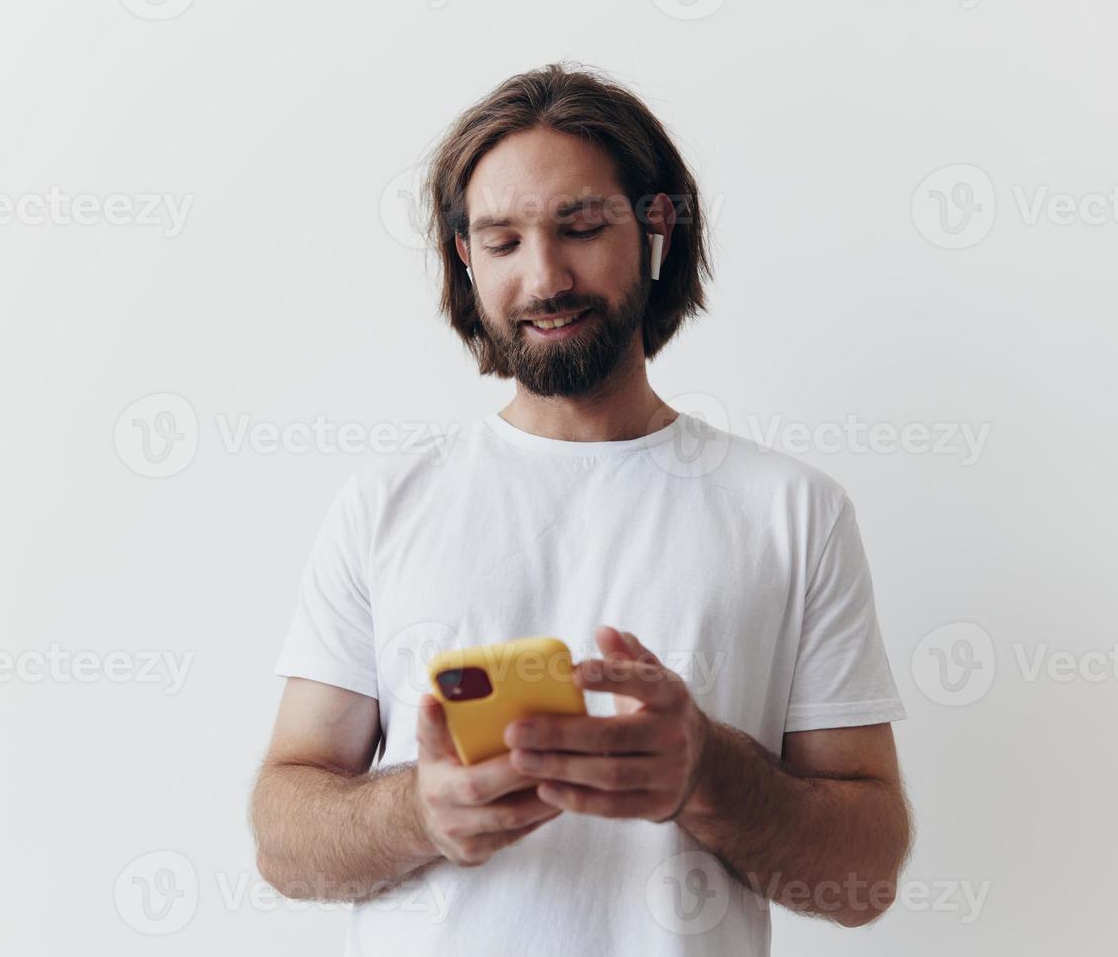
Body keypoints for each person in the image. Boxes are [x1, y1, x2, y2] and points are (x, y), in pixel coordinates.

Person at [250, 60, 911, 956]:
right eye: (503, 241)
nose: (545, 275)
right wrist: (420, 811)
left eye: (581, 226)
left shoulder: (794, 513)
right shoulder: (383, 508)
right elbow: (286, 836)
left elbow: (864, 874)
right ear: (465, 259)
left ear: (655, 228)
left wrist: (708, 772)